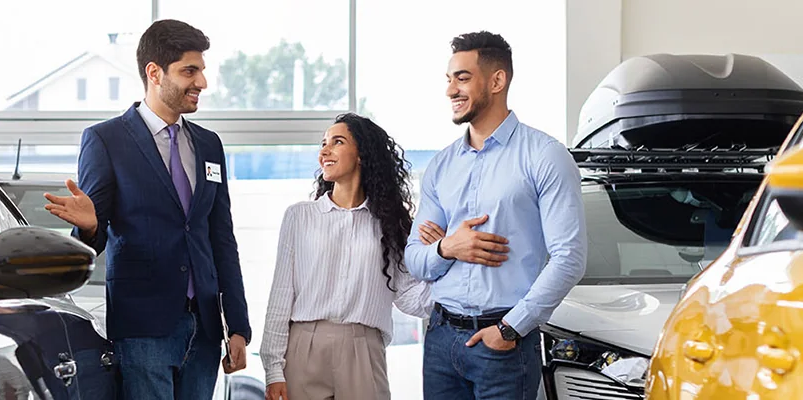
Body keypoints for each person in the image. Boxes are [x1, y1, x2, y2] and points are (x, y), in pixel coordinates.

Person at [42, 19, 251, 400]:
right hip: (143, 328)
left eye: (202, 70)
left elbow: (221, 239)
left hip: (205, 329)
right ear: (154, 73)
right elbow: (93, 241)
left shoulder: (208, 145)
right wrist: (90, 227)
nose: (202, 82)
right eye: (190, 71)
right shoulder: (106, 140)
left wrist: (237, 325)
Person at [403, 31, 587, 400]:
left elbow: (569, 258)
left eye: (463, 77)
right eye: (449, 79)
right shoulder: (441, 166)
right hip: (440, 339)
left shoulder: (545, 155)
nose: (451, 90)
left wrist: (510, 329)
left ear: (497, 80)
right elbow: (414, 259)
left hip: (504, 345)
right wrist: (447, 247)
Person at [259, 114, 431, 400]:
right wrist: (273, 369)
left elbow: (410, 296)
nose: (324, 151)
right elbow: (281, 295)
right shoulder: (300, 216)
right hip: (304, 347)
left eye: (337, 142)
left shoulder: (391, 225)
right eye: (323, 144)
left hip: (364, 349)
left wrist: (451, 265)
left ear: (362, 153)